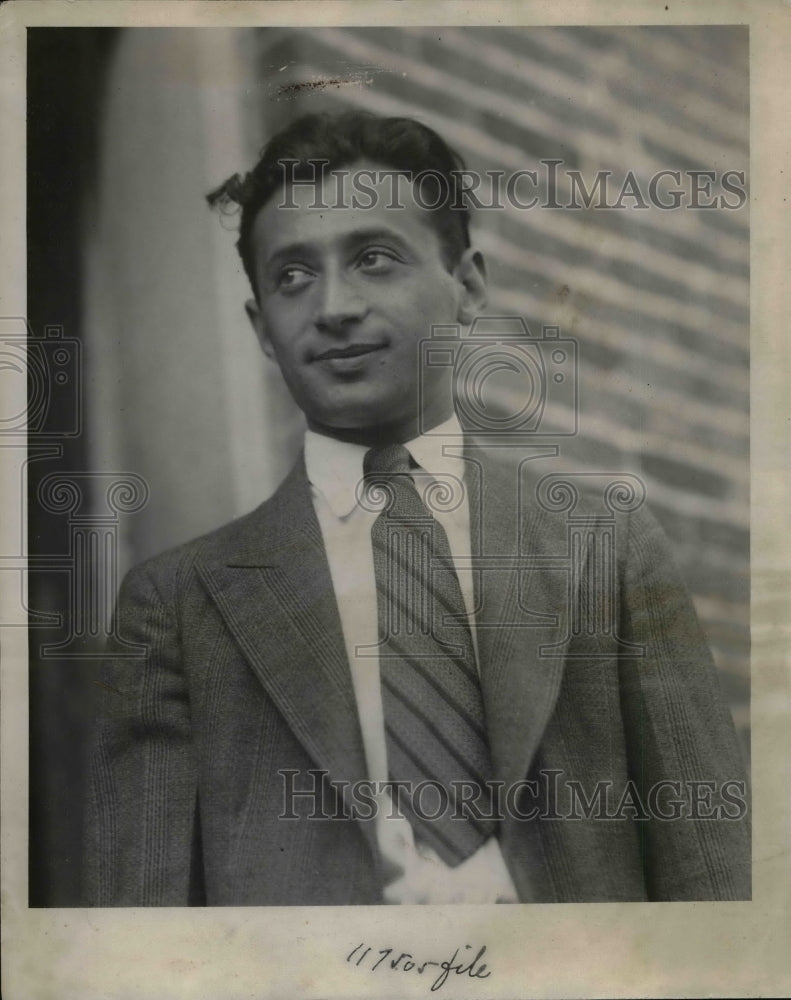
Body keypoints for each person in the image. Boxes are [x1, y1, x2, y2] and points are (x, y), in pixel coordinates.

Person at [84, 111, 750, 906]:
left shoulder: (603, 546)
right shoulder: (178, 607)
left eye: (373, 258)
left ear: (467, 287)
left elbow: (711, 871)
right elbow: (139, 929)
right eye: (292, 276)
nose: (332, 306)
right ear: (262, 329)